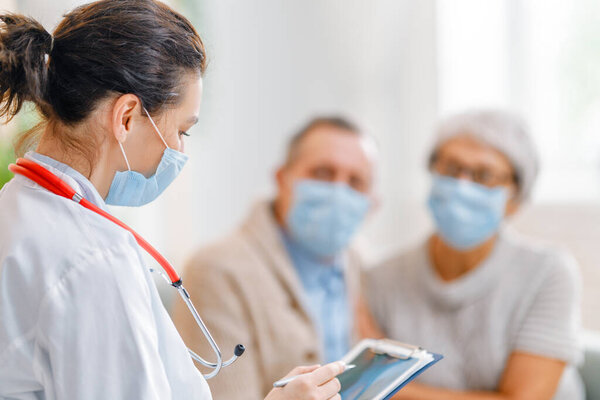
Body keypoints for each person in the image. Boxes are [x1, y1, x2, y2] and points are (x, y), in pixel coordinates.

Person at [0, 1, 346, 399]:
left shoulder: (17, 209)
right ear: (127, 117)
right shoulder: (93, 260)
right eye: (183, 131)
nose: (180, 150)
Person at [365, 110, 584, 400]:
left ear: (515, 199)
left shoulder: (548, 272)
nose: (462, 185)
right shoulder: (381, 278)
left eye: (484, 176)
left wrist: (394, 391)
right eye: (452, 168)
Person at [172, 116, 379, 399]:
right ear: (282, 179)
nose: (339, 192)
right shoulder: (217, 270)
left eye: (355, 182)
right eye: (323, 173)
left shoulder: (359, 262)